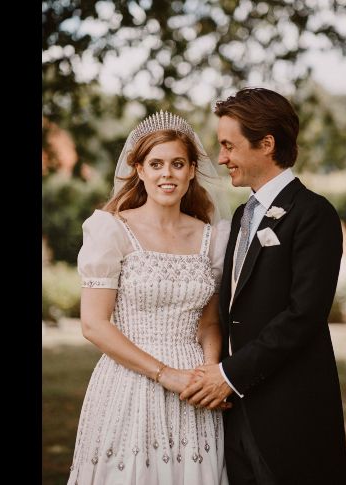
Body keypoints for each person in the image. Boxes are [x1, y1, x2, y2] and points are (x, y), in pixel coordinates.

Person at [180, 88, 346, 485]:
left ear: (267, 144)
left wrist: (230, 375)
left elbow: (303, 316)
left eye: (228, 146)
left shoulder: (313, 213)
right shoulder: (242, 215)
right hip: (237, 412)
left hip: (291, 410)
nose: (221, 158)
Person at [66, 111, 232, 485]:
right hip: (128, 383)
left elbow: (208, 323)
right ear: (139, 169)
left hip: (194, 391)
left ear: (192, 169)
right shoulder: (111, 231)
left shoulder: (213, 238)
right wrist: (164, 374)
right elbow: (94, 325)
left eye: (177, 164)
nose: (166, 174)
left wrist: (207, 372)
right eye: (155, 164)